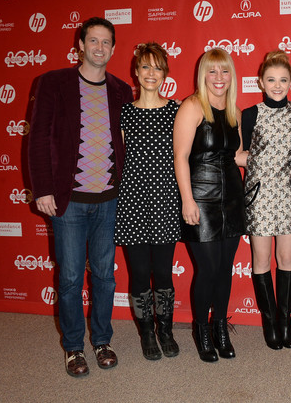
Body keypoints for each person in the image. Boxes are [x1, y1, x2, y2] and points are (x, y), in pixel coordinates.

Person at [28, 17, 133, 377]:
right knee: (71, 277)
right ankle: (73, 348)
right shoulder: (54, 84)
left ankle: (102, 340)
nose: (100, 48)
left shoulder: (121, 90)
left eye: (106, 42)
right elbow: (38, 138)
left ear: (113, 49)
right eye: (93, 41)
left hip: (108, 200)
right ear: (81, 45)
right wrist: (42, 188)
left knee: (105, 276)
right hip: (68, 201)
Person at [173, 48, 246, 362]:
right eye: (212, 72)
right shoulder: (191, 107)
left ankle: (220, 328)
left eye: (225, 71)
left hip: (232, 199)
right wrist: (187, 200)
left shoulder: (234, 111)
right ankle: (201, 330)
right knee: (208, 269)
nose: (219, 78)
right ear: (203, 75)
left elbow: (237, 156)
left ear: (231, 76)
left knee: (225, 270)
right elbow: (180, 157)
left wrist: (271, 157)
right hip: (200, 199)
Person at [114, 42, 181, 360]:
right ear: (136, 72)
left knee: (164, 274)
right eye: (145, 67)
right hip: (133, 204)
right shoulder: (124, 112)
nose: (151, 73)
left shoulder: (177, 110)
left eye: (157, 67)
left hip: (166, 202)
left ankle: (165, 329)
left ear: (165, 73)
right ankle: (146, 334)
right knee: (140, 274)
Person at [242, 50, 291, 350]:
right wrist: (256, 165)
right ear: (260, 82)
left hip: (289, 195)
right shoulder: (249, 114)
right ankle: (268, 321)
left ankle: (285, 322)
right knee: (260, 260)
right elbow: (237, 153)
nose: (277, 85)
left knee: (286, 260)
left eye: (283, 80)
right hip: (258, 196)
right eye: (271, 80)